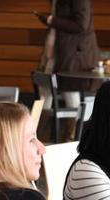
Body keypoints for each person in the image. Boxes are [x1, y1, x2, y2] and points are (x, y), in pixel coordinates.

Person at [35, 0, 99, 142]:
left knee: (69, 95)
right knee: (45, 94)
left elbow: (81, 25)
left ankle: (70, 140)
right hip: (56, 52)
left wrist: (52, 20)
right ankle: (39, 139)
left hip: (71, 55)